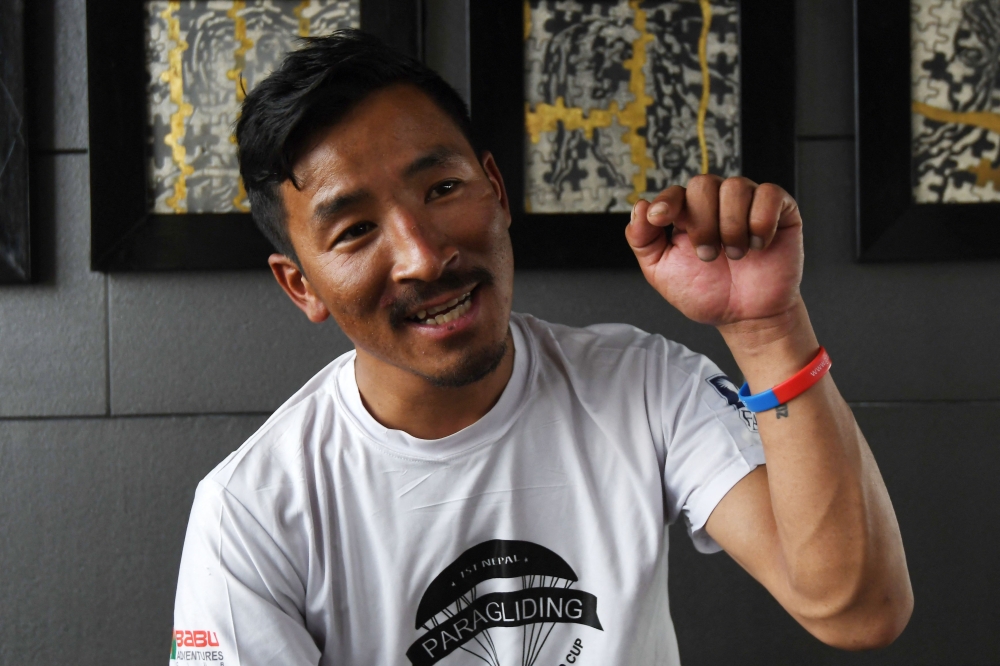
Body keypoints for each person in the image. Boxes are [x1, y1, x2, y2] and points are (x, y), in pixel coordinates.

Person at [170, 30, 912, 666]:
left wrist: (767, 330)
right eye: (356, 230)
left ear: (495, 190)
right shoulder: (251, 513)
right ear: (301, 285)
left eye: (441, 189)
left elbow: (858, 610)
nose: (423, 257)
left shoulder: (643, 385)